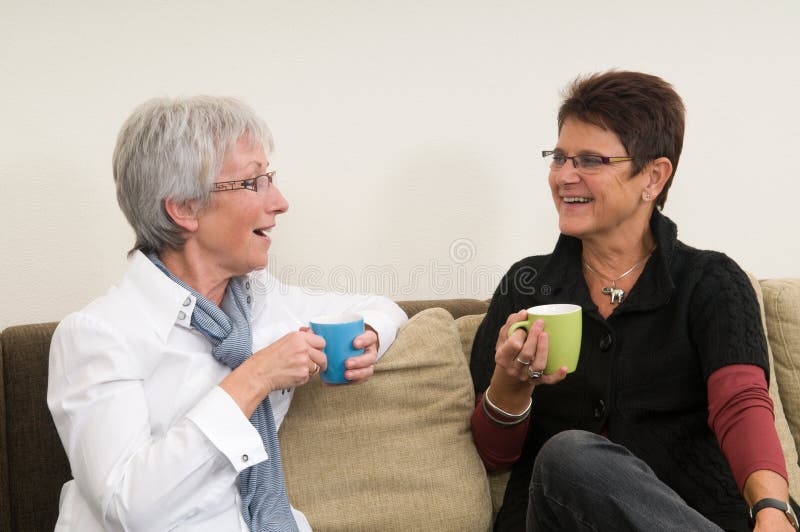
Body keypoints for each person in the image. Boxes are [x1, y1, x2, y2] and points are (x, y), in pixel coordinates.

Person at [47, 96, 407, 531]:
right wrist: (254, 378)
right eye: (254, 182)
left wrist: (368, 333)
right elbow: (130, 508)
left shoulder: (260, 301)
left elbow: (382, 309)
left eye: (270, 178)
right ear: (183, 207)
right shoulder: (97, 336)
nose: (280, 202)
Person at [469, 71, 797, 531]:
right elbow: (494, 455)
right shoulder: (526, 286)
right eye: (559, 157)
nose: (565, 176)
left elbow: (740, 403)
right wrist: (511, 384)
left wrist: (772, 512)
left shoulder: (710, 281)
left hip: (697, 515)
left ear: (654, 176)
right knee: (567, 454)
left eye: (590, 160)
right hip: (557, 518)